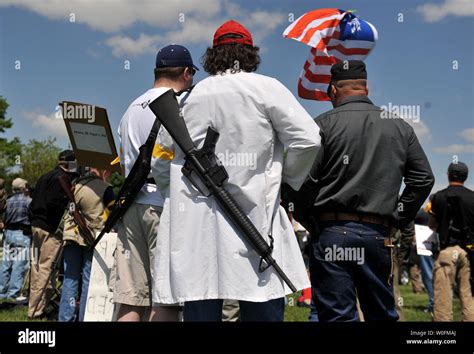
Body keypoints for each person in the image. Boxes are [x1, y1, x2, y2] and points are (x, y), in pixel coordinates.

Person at [151, 20, 320, 321]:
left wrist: (174, 194)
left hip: (198, 229)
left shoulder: (191, 98)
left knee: (202, 301)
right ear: (250, 52)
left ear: (212, 55)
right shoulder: (267, 89)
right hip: (256, 218)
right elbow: (308, 140)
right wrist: (286, 179)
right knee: (261, 300)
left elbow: (163, 157)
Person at [290, 60, 434, 321]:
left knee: (337, 317)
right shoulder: (399, 126)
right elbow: (423, 179)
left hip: (332, 233)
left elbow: (300, 182)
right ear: (366, 88)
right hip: (377, 234)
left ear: (333, 90)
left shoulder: (320, 125)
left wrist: (311, 221)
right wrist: (397, 219)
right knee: (381, 314)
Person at [115, 44, 197, 321]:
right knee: (165, 300)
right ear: (186, 73)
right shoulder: (179, 105)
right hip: (163, 204)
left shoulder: (131, 107)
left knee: (130, 299)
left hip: (130, 206)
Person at [59, 168, 114, 321]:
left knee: (70, 280)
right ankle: (85, 318)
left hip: (71, 236)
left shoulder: (74, 186)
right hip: (93, 239)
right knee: (88, 283)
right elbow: (114, 211)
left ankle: (65, 318)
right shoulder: (105, 188)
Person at [28, 150, 77, 319]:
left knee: (36, 269)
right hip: (50, 229)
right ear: (70, 164)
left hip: (36, 226)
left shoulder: (45, 176)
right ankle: (35, 311)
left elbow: (34, 201)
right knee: (46, 270)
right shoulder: (61, 179)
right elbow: (54, 203)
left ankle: (33, 306)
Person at [428, 161, 474, 321]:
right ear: (466, 177)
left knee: (443, 300)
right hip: (468, 252)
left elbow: (432, 225)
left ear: (448, 175)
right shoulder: (472, 197)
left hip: (446, 251)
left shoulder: (437, 197)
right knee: (467, 296)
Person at [0, 178, 31, 301]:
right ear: (23, 188)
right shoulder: (28, 201)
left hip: (8, 233)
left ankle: (2, 292)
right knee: (19, 265)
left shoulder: (8, 201)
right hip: (22, 234)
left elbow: (5, 216)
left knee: (6, 264)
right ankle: (13, 294)